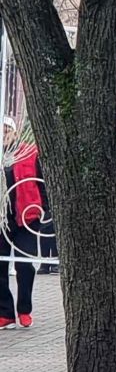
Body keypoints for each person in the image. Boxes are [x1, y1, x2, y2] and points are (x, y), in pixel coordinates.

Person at [0, 117, 45, 329]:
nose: (4, 134)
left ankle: (24, 309)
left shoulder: (29, 153)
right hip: (2, 220)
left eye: (7, 130)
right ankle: (5, 312)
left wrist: (44, 208)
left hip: (25, 218)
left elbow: (42, 182)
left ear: (15, 132)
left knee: (25, 265)